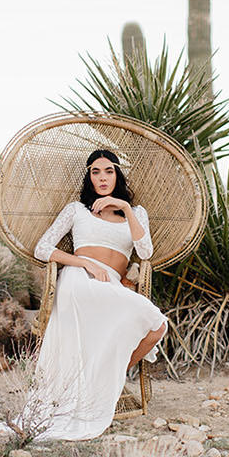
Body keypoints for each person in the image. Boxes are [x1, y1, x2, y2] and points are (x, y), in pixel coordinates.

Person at [26, 149, 169, 441]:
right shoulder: (77, 209)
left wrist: (125, 209)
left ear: (118, 175)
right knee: (133, 315)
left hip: (112, 285)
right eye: (95, 172)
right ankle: (95, 385)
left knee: (158, 325)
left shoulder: (136, 213)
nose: (102, 178)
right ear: (89, 177)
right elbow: (42, 249)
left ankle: (103, 378)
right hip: (79, 280)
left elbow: (145, 253)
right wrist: (85, 262)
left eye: (108, 171)